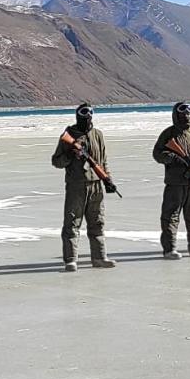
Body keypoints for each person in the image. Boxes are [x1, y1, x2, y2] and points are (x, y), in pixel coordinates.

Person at [51, 102, 119, 271]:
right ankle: (71, 260)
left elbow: (102, 161)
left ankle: (99, 257)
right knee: (72, 223)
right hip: (76, 185)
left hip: (96, 185)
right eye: (83, 114)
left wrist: (107, 179)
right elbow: (56, 161)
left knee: (97, 222)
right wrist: (70, 154)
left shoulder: (98, 135)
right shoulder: (68, 136)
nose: (87, 118)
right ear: (78, 116)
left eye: (89, 114)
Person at [152, 101, 190, 258]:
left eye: (189, 113)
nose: (186, 116)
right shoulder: (168, 134)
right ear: (176, 115)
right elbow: (157, 154)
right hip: (175, 183)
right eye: (183, 113)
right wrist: (172, 158)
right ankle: (169, 249)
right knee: (171, 216)